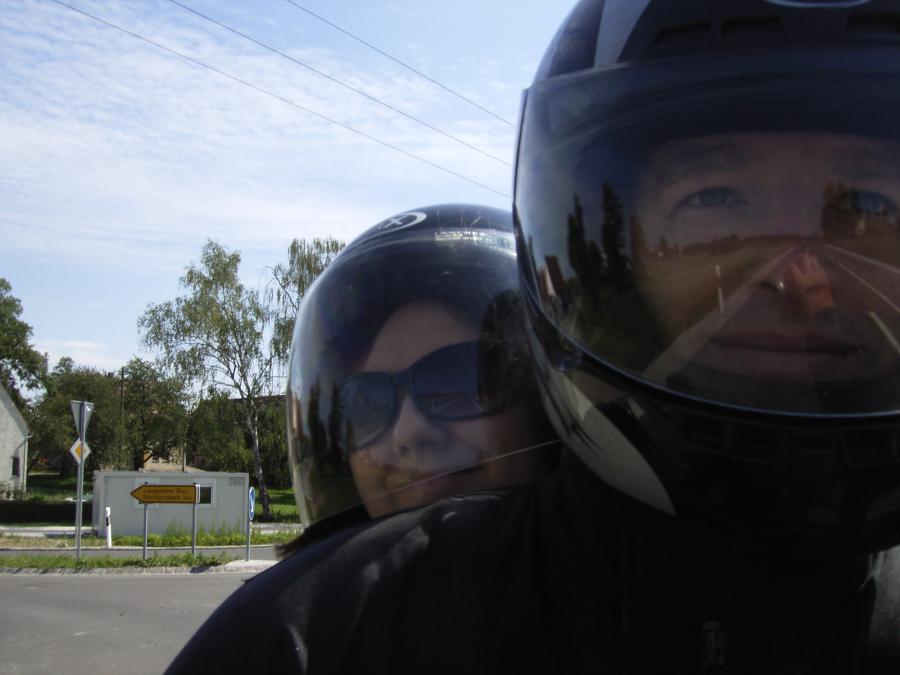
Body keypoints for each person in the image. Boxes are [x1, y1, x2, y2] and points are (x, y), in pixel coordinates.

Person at [167, 2, 900, 673]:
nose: (798, 276)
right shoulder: (320, 637)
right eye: (713, 198)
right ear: (613, 262)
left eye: (868, 204)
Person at [282, 203, 559, 547]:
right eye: (366, 406)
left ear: (545, 405)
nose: (408, 430)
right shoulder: (317, 583)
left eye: (456, 381)